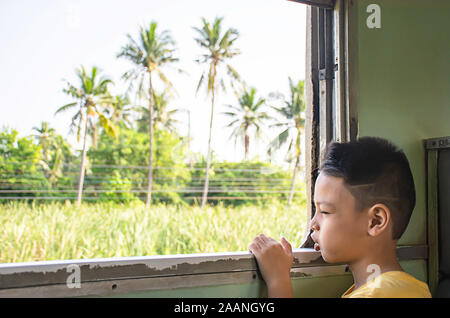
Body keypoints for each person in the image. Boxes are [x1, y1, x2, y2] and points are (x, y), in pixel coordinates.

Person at [248, 136, 432, 298]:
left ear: (376, 221)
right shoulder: (406, 289)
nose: (313, 223)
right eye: (315, 210)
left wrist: (277, 280)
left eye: (325, 212)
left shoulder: (382, 294)